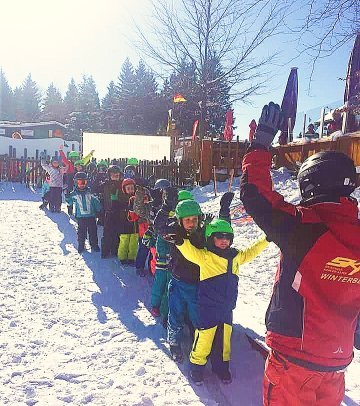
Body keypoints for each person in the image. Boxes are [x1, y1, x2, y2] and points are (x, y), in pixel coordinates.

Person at [240, 101, 360, 406]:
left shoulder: (305, 227)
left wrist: (260, 143)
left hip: (295, 359)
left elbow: (256, 196)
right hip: (335, 364)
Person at [174, 218, 268, 385]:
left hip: (226, 308)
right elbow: (189, 251)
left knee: (224, 342)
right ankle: (196, 367)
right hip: (208, 308)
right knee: (204, 338)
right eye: (219, 237)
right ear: (211, 238)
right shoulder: (205, 256)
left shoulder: (235, 256)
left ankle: (221, 367)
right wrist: (179, 240)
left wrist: (267, 239)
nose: (224, 241)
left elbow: (252, 252)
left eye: (227, 237)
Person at [155, 192, 235, 363]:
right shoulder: (175, 233)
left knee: (196, 317)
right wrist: (166, 206)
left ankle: (197, 342)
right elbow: (159, 227)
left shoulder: (204, 233)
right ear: (180, 221)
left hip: (198, 285)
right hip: (177, 282)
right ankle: (174, 343)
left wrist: (224, 210)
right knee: (175, 314)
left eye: (194, 219)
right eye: (187, 220)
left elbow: (221, 230)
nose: (191, 223)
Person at [66, 172, 102, 253]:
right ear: (76, 183)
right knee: (81, 233)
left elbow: (96, 202)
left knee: (93, 232)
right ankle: (81, 245)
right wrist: (67, 197)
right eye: (79, 182)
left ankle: (94, 245)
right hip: (81, 217)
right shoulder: (74, 194)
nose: (82, 184)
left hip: (91, 216)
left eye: (84, 182)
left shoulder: (90, 193)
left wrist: (99, 209)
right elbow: (69, 203)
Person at [100, 165, 123, 258]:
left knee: (117, 232)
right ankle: (105, 250)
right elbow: (96, 189)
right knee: (107, 232)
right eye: (113, 175)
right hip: (108, 211)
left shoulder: (121, 184)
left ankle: (115, 249)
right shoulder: (105, 184)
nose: (115, 177)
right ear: (109, 175)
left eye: (117, 175)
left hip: (119, 211)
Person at [116, 178, 138, 265]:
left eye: (132, 188)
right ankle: (122, 257)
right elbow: (119, 209)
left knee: (134, 242)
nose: (130, 190)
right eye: (128, 188)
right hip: (124, 223)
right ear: (124, 189)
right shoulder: (122, 198)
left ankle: (132, 257)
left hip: (134, 224)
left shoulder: (136, 198)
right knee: (124, 241)